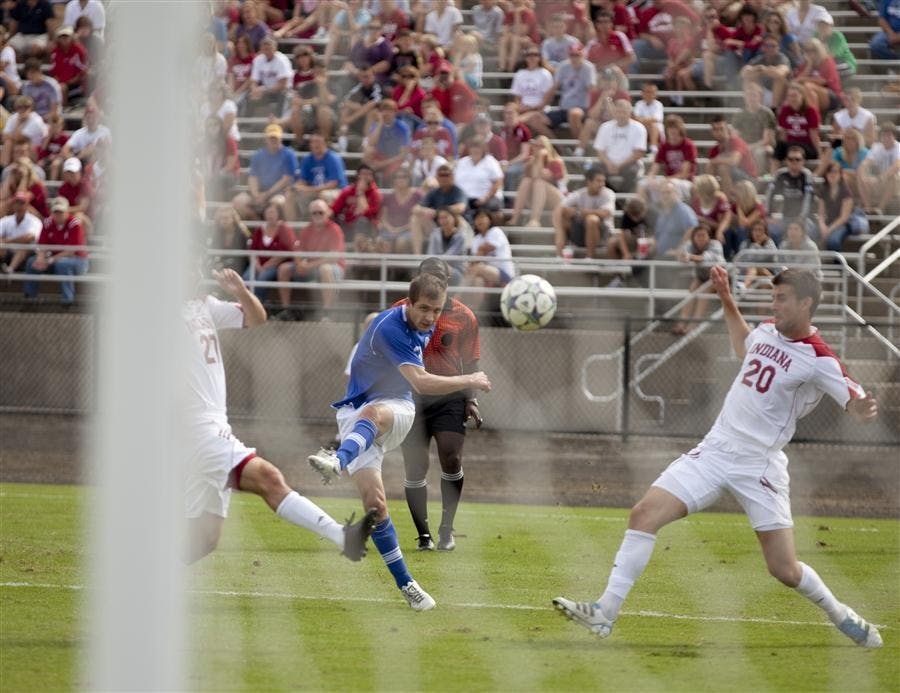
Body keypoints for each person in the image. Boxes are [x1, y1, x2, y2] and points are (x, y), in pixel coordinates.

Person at [553, 267, 883, 650]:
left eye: (782, 298)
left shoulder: (819, 357)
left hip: (759, 465)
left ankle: (842, 615)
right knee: (643, 514)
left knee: (784, 569)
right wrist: (727, 298)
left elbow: (854, 397)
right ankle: (605, 613)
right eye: (772, 297)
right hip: (714, 449)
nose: (772, 304)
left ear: (806, 303)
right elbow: (746, 345)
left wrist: (862, 410)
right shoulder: (764, 331)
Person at [307, 272, 492, 610]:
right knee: (376, 507)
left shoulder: (425, 325)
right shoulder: (390, 326)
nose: (430, 317)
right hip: (355, 415)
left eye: (436, 311)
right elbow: (421, 380)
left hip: (397, 408)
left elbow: (415, 385)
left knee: (374, 415)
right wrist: (471, 380)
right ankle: (409, 587)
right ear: (407, 303)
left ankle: (337, 459)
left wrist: (465, 383)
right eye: (423, 309)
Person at [182, 265, 377, 565]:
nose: (196, 273)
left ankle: (141, 584)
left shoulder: (204, 306)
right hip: (195, 428)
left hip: (213, 424)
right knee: (269, 478)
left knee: (205, 538)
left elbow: (257, 317)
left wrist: (241, 292)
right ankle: (343, 536)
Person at [394, 257, 484, 551]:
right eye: (430, 275)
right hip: (411, 398)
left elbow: (471, 360)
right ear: (418, 279)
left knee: (451, 456)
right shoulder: (398, 311)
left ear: (448, 282)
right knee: (416, 467)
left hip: (449, 395)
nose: (436, 281)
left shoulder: (464, 316)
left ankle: (447, 528)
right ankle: (423, 534)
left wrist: (472, 400)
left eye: (442, 277)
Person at [275, 198, 346, 317]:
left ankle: (327, 313)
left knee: (325, 269)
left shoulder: (335, 230)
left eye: (321, 212)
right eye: (314, 213)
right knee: (284, 269)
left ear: (328, 213)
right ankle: (286, 310)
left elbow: (333, 257)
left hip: (334, 267)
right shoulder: (307, 229)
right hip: (311, 266)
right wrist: (299, 264)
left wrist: (309, 265)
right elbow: (299, 250)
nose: (317, 215)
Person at [23, 197, 88, 305]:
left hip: (78, 261)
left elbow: (71, 251)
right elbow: (41, 245)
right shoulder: (48, 222)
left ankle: (67, 301)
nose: (58, 215)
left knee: (62, 264)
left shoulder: (74, 224)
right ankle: (30, 299)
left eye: (61, 212)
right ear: (52, 212)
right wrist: (40, 258)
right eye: (56, 212)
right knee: (32, 262)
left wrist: (49, 260)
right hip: (55, 259)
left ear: (67, 212)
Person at [232, 123, 299, 221]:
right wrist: (256, 195)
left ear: (281, 138)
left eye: (275, 137)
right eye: (270, 137)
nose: (273, 140)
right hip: (261, 191)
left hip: (280, 192)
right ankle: (258, 229)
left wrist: (266, 195)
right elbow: (253, 177)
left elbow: (286, 179)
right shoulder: (258, 155)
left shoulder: (289, 154)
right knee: (238, 202)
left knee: (277, 202)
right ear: (265, 139)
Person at [673, 222, 725, 335]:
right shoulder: (690, 245)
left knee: (704, 290)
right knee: (692, 289)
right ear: (694, 237)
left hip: (720, 278)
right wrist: (682, 256)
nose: (700, 238)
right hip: (701, 277)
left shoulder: (715, 244)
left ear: (708, 237)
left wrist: (690, 257)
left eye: (703, 235)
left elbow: (708, 258)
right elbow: (682, 255)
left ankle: (694, 323)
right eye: (698, 236)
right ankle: (682, 322)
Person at [552, 167, 615, 259]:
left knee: (592, 219)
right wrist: (567, 213)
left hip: (603, 234)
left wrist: (580, 212)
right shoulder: (579, 194)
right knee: (563, 217)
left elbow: (606, 213)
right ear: (589, 182)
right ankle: (559, 254)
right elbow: (559, 208)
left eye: (603, 181)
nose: (602, 184)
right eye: (598, 181)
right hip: (582, 232)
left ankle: (589, 257)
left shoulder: (608, 194)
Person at [243, 201, 297, 302]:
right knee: (246, 278)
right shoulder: (260, 229)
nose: (270, 215)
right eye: (268, 212)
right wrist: (257, 265)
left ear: (278, 214)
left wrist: (267, 265)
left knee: (262, 278)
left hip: (276, 264)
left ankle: (259, 303)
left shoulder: (284, 228)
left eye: (273, 212)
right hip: (259, 263)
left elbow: (286, 251)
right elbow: (252, 250)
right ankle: (246, 304)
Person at [508, 136, 566, 228]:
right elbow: (532, 177)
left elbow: (539, 176)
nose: (538, 149)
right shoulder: (530, 162)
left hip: (557, 199)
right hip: (537, 199)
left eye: (542, 146)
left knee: (539, 182)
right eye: (536, 146)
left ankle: (535, 220)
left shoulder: (555, 162)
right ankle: (515, 218)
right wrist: (536, 160)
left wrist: (540, 158)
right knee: (526, 181)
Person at [592, 99, 647, 193]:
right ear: (614, 112)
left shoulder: (639, 128)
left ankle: (621, 199)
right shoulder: (605, 127)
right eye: (618, 111)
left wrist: (620, 166)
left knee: (633, 172)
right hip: (608, 163)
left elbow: (638, 153)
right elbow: (600, 151)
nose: (621, 115)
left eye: (624, 112)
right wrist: (609, 164)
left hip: (629, 164)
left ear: (630, 112)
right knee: (592, 170)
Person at [464, 209, 515, 309]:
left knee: (477, 268)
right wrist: (479, 252)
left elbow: (485, 249)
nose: (480, 221)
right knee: (478, 280)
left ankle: (458, 296)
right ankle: (475, 311)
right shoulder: (476, 239)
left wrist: (480, 251)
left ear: (489, 219)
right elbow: (476, 258)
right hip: (485, 274)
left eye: (483, 217)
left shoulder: (496, 231)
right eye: (477, 218)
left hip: (504, 274)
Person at [765, 145, 816, 241]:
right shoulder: (780, 174)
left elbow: (808, 200)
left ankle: (804, 256)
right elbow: (770, 194)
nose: (794, 162)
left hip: (805, 219)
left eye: (798, 159)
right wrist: (768, 215)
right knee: (772, 231)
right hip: (786, 218)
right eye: (791, 159)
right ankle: (778, 256)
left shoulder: (806, 175)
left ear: (803, 161)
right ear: (786, 161)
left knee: (809, 233)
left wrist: (800, 219)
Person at [816, 162, 869, 253]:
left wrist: (828, 230)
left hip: (844, 223)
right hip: (829, 221)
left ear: (840, 175)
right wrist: (822, 226)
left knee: (833, 241)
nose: (832, 175)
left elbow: (844, 217)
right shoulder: (824, 190)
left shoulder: (846, 192)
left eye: (835, 172)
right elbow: (821, 213)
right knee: (811, 234)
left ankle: (837, 266)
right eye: (829, 172)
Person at [294, 133, 347, 211]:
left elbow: (333, 184)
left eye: (318, 142)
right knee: (292, 195)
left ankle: (326, 221)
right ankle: (301, 221)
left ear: (325, 143)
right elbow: (303, 180)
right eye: (313, 142)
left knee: (324, 195)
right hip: (314, 190)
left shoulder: (333, 159)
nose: (315, 144)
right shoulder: (307, 160)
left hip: (336, 190)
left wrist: (309, 189)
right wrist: (297, 187)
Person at [857, 121, 900, 214]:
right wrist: (864, 176)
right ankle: (867, 208)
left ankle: (880, 208)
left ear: (894, 136)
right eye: (884, 135)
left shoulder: (898, 147)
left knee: (894, 176)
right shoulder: (877, 147)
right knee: (859, 173)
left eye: (889, 135)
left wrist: (879, 178)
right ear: (880, 137)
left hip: (896, 184)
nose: (886, 138)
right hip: (880, 182)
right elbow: (865, 163)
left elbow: (896, 166)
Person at [244, 36, 292, 118]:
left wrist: (265, 90)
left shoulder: (282, 60)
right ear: (261, 49)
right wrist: (254, 90)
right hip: (266, 91)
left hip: (281, 91)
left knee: (282, 95)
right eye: (265, 49)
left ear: (275, 49)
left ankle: (278, 122)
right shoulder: (258, 60)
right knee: (249, 96)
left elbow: (283, 84)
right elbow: (254, 80)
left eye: (269, 49)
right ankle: (247, 124)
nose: (267, 51)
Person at [0, 191, 42, 275]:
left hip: (29, 254)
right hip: (8, 252)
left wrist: (6, 241)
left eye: (22, 203)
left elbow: (30, 237)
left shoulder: (34, 221)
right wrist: (3, 242)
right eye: (16, 203)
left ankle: (9, 270)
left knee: (24, 247)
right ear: (13, 205)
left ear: (27, 205)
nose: (19, 206)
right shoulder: (6, 220)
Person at [426, 207, 467, 285]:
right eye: (440, 218)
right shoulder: (435, 233)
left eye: (446, 217)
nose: (443, 221)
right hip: (435, 267)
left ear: (453, 218)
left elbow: (450, 256)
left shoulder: (461, 236)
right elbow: (430, 253)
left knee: (437, 271)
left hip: (455, 270)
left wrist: (435, 263)